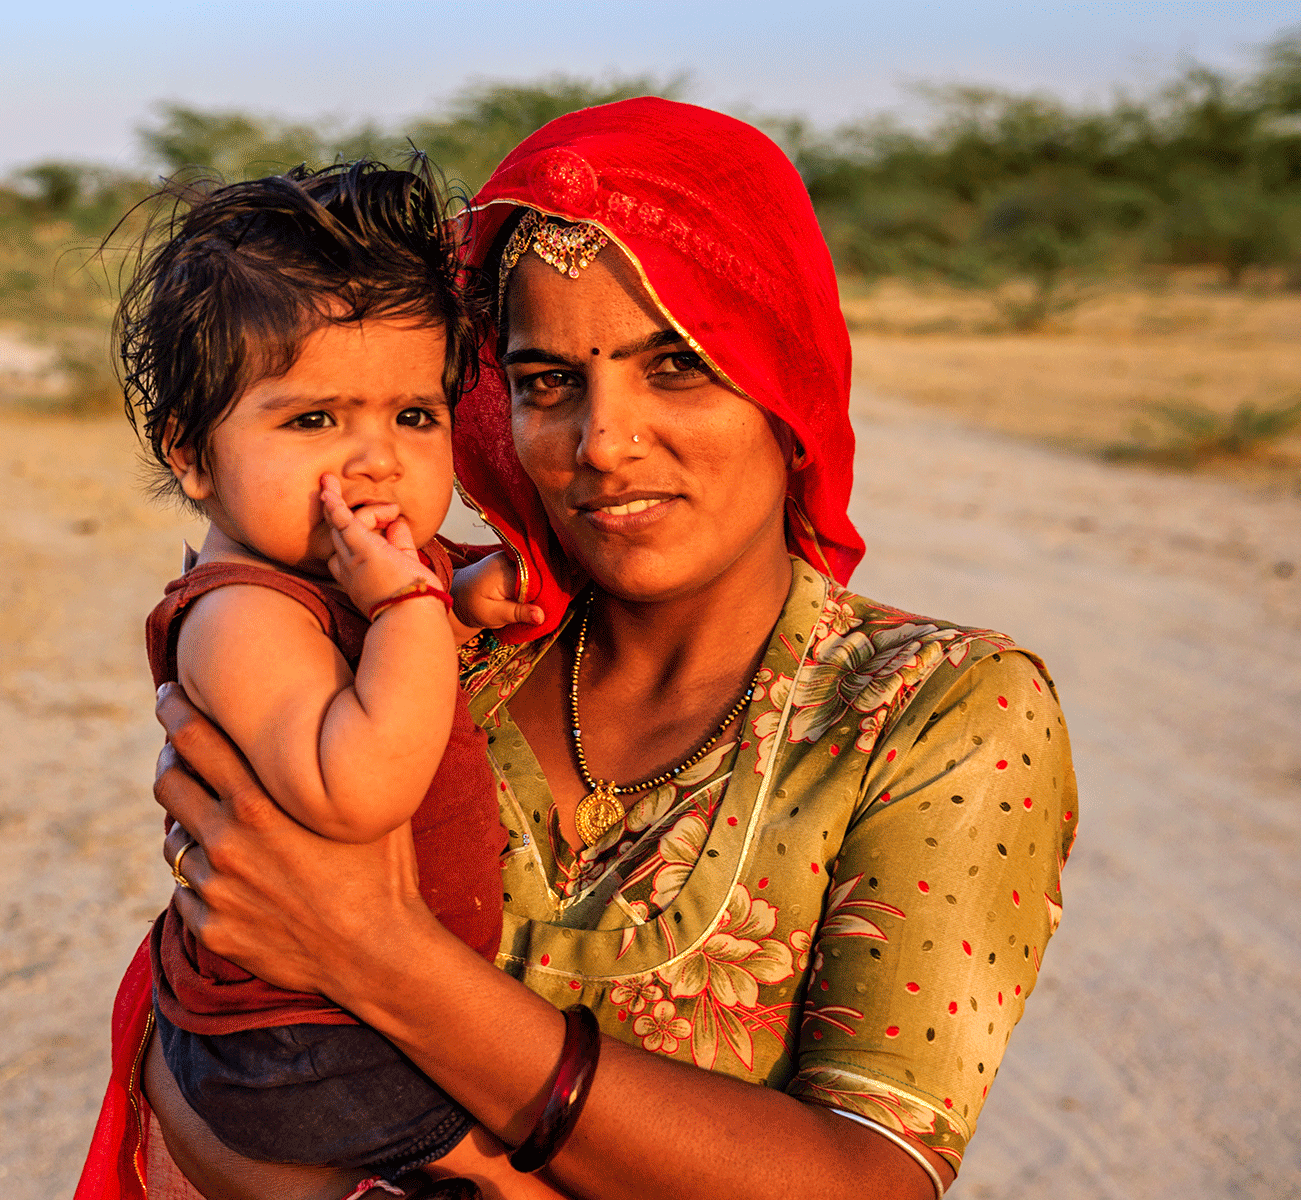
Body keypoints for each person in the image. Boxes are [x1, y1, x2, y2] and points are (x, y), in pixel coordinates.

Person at [77, 98, 1077, 1200]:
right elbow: (212, 1029)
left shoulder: (933, 711)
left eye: (679, 366)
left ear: (785, 378)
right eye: (547, 381)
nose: (604, 442)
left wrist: (384, 957)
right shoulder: (428, 634)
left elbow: (870, 1179)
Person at [109, 161, 545, 1192]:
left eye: (413, 416)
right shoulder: (241, 613)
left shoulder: (333, 557)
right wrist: (413, 612)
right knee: (478, 1157)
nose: (376, 461)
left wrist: (462, 585)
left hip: (358, 999)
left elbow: (418, 576)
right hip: (298, 1040)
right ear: (193, 456)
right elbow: (358, 788)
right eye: (313, 421)